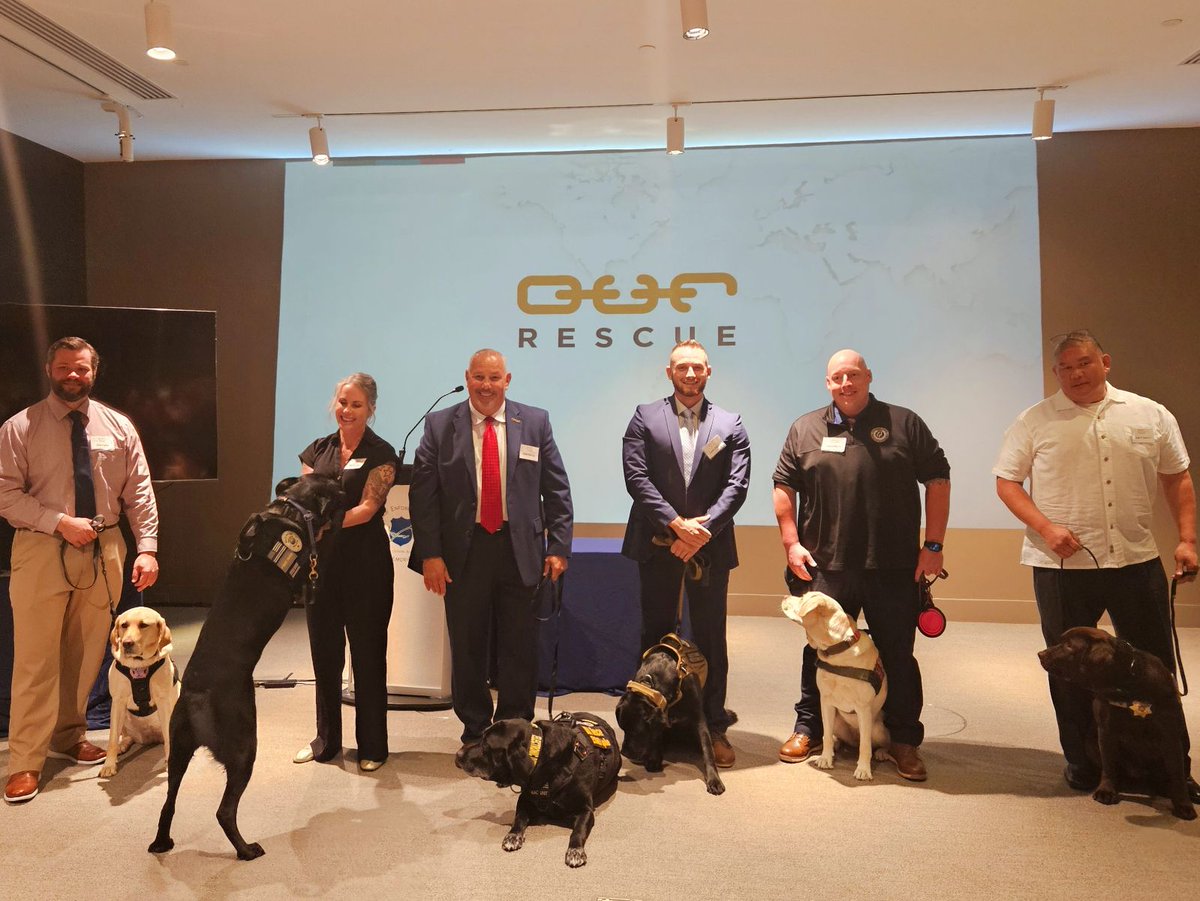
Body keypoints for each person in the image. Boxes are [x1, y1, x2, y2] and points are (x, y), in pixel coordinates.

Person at [994, 329, 1200, 797]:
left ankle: (1173, 769)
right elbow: (1007, 483)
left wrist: (1187, 539)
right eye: (1064, 368)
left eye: (1083, 363)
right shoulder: (1034, 420)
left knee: (1154, 669)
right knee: (1068, 671)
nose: (1075, 374)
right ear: (1055, 373)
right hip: (1061, 568)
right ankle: (1084, 763)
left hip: (1135, 560)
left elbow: (1177, 477)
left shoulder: (1150, 414)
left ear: (1105, 362)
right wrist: (1046, 528)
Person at [772, 349, 949, 781]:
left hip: (893, 567)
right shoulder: (805, 427)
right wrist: (791, 543)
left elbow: (939, 479)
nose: (846, 384)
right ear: (827, 384)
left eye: (853, 375)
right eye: (837, 378)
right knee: (820, 651)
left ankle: (905, 739)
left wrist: (934, 544)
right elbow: (783, 486)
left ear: (868, 376)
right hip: (826, 567)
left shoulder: (904, 422)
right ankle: (810, 728)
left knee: (897, 655)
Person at [0, 337, 159, 804]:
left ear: (94, 372)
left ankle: (68, 737)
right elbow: (5, 494)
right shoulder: (19, 427)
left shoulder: (119, 426)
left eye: (83, 368)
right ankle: (26, 760)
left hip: (105, 546)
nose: (74, 375)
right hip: (42, 546)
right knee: (35, 659)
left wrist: (146, 548)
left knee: (88, 652)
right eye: (65, 367)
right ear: (50, 369)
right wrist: (59, 522)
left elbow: (140, 492)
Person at [408, 349, 573, 755]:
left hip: (521, 550)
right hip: (464, 553)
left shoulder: (535, 421)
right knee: (467, 645)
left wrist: (559, 546)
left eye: (494, 378)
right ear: (467, 377)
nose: (486, 385)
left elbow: (556, 489)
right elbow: (423, 495)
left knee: (519, 644)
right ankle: (475, 731)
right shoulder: (440, 424)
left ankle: (515, 730)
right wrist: (430, 553)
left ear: (507, 380)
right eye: (479, 377)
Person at [620, 339, 750, 767]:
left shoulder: (731, 423)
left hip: (709, 546)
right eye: (682, 368)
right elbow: (636, 477)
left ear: (708, 371)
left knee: (712, 636)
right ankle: (650, 723)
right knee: (655, 635)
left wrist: (702, 530)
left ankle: (713, 725)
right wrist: (676, 525)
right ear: (669, 372)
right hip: (658, 541)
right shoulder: (645, 416)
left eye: (697, 368)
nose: (690, 374)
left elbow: (737, 486)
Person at [294, 373, 397, 772]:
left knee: (368, 656)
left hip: (366, 567)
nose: (346, 410)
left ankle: (373, 746)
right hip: (320, 568)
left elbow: (369, 508)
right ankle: (326, 742)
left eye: (355, 404)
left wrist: (324, 524)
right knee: (324, 656)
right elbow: (303, 501)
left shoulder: (381, 452)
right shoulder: (316, 451)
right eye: (341, 402)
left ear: (371, 408)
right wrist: (312, 524)